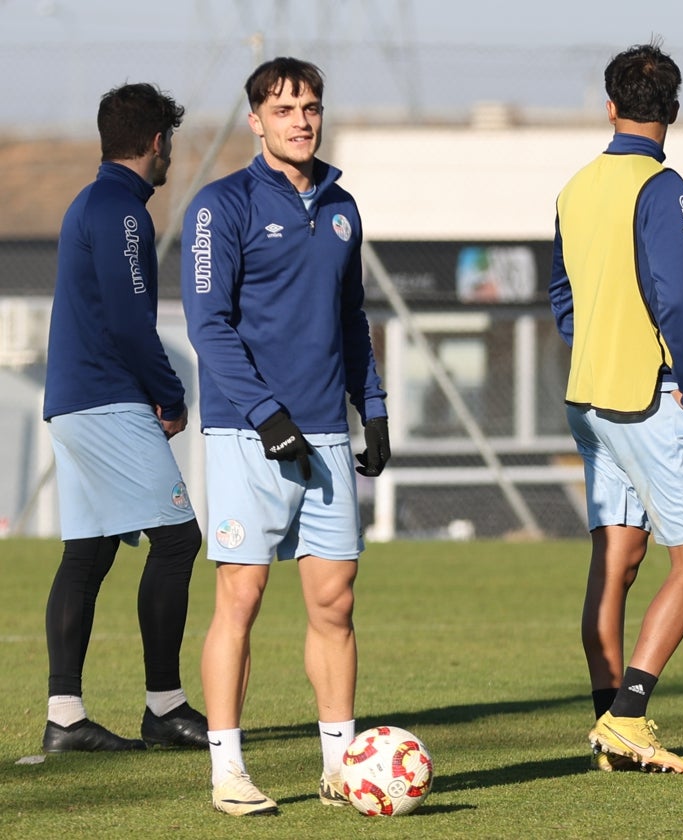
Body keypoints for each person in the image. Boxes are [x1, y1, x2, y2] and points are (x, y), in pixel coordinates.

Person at [180, 57, 390, 816]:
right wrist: (268, 417)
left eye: (310, 106)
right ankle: (228, 770)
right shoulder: (219, 206)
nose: (300, 120)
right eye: (283, 109)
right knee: (242, 593)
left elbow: (351, 319)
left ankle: (342, 768)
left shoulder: (342, 207)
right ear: (255, 122)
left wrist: (374, 407)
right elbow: (208, 325)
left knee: (334, 601)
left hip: (326, 431)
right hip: (248, 432)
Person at [549, 41, 683, 775]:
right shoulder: (663, 186)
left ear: (611, 106)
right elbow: (676, 295)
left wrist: (594, 342)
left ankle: (604, 722)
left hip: (588, 396)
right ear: (674, 113)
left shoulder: (577, 186)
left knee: (617, 562)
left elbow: (562, 296)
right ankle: (628, 715)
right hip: (648, 396)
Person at [41, 83, 206, 755]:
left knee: (89, 550)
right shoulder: (121, 213)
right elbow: (131, 323)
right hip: (107, 400)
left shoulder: (93, 201)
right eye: (172, 144)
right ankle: (164, 707)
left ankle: (66, 720)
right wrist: (169, 395)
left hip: (73, 402)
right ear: (158, 142)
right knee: (177, 541)